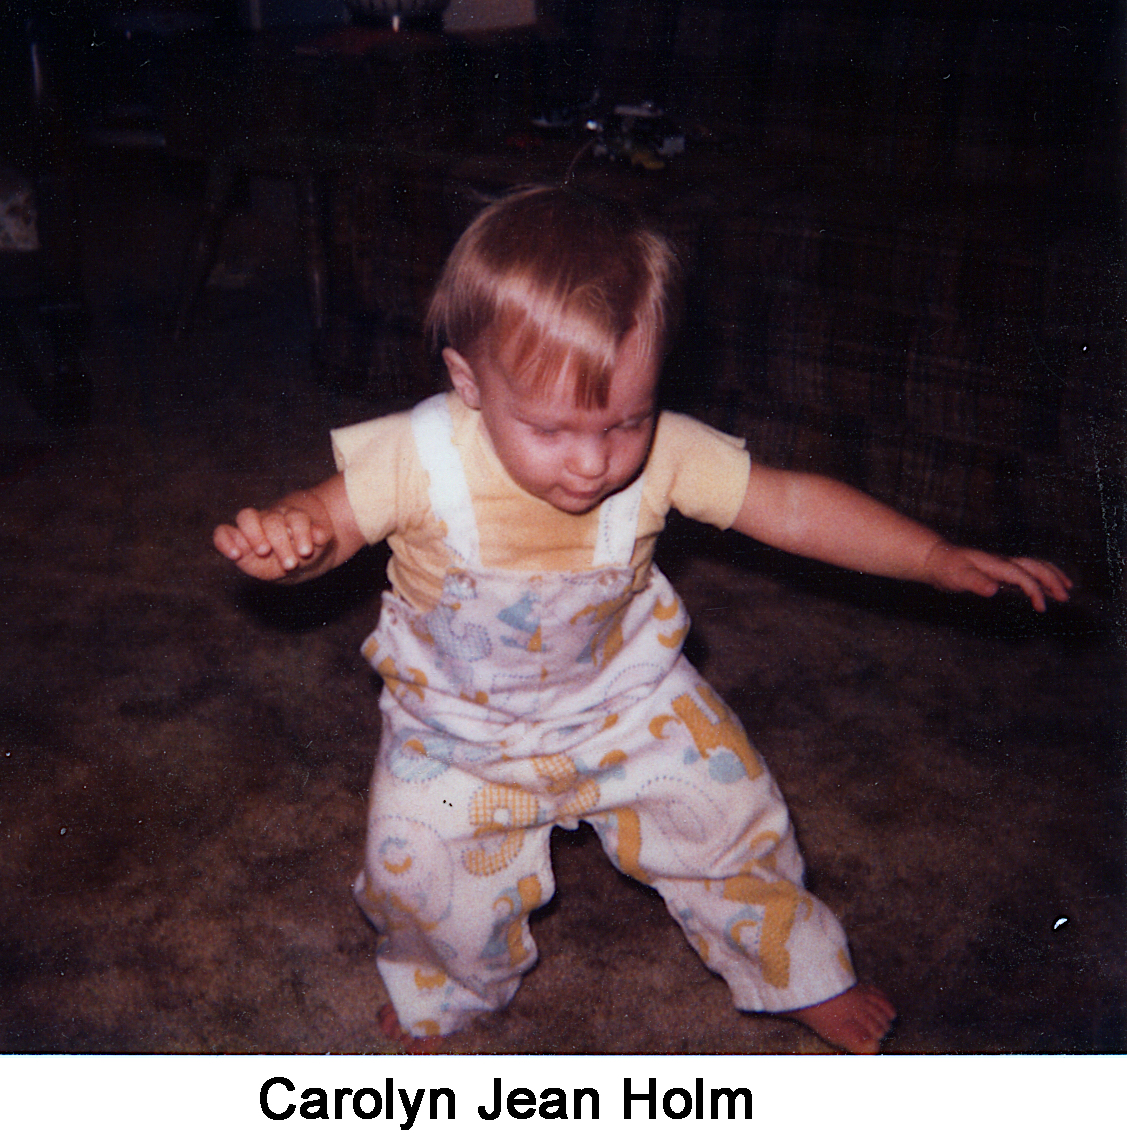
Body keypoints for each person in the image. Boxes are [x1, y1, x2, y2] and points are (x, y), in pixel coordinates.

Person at [213, 186, 1070, 1054]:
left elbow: (796, 507)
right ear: (467, 381)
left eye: (626, 419)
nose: (593, 461)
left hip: (627, 697)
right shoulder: (417, 454)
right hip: (457, 729)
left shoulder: (663, 453)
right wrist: (297, 538)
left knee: (732, 813)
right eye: (550, 428)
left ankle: (795, 968)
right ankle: (449, 982)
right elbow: (331, 523)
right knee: (421, 869)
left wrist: (933, 557)